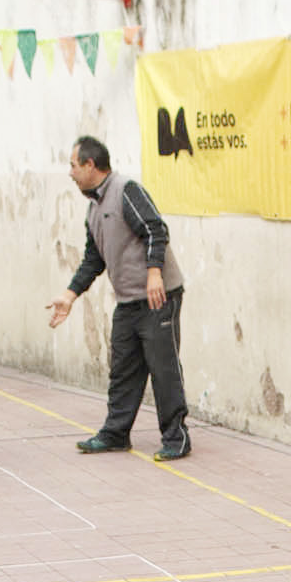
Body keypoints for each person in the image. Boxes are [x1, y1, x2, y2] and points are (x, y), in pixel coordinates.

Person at [46, 136, 189, 461]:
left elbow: (155, 229)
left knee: (163, 368)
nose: (70, 173)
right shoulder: (95, 207)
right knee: (122, 368)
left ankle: (176, 438)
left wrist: (155, 272)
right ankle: (115, 433)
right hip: (128, 301)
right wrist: (70, 295)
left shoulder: (126, 190)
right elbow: (93, 258)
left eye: (72, 165)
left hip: (158, 297)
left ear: (90, 165)